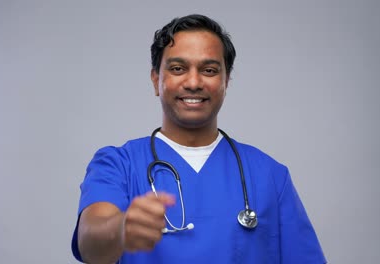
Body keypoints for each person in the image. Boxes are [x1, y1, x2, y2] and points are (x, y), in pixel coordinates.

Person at [71, 14, 326, 264]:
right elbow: (91, 244)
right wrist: (120, 228)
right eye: (178, 68)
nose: (193, 82)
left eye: (209, 70)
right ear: (156, 80)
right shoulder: (118, 164)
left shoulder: (270, 175)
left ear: (226, 81)